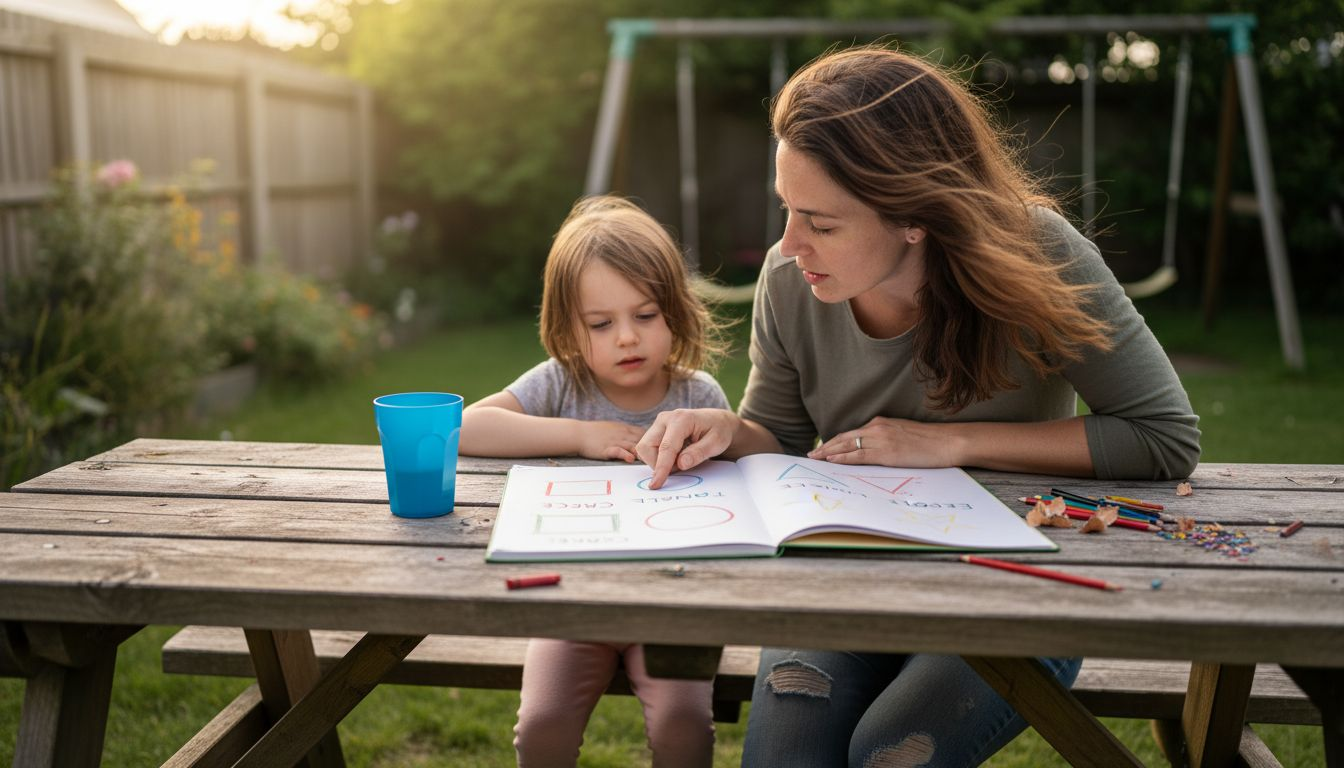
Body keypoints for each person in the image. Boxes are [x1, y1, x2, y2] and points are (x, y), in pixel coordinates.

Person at [634, 45, 1201, 767]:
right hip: (848, 577)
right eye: (787, 209)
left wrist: (954, 444)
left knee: (889, 753)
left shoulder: (1043, 255)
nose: (787, 244)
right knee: (788, 751)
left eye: (822, 222)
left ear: (916, 217)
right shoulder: (788, 281)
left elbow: (1163, 437)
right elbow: (779, 436)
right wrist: (725, 431)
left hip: (1018, 588)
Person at [459, 195, 730, 767]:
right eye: (601, 324)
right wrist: (580, 436)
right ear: (567, 327)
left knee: (685, 727)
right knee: (542, 726)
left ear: (675, 311)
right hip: (572, 602)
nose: (627, 338)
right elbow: (462, 427)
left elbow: (751, 466)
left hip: (671, 604)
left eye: (646, 315)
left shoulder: (698, 398)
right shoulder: (562, 385)